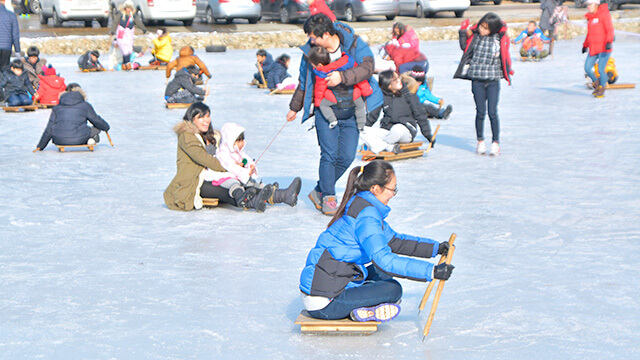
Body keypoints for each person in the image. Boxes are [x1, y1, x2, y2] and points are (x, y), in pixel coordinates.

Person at [299, 160, 454, 321]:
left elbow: (395, 241)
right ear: (375, 189)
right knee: (393, 290)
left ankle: (362, 307)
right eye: (392, 189)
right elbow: (385, 261)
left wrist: (435, 248)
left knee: (381, 273)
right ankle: (365, 310)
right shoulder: (367, 216)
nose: (393, 194)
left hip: (328, 286)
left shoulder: (362, 205)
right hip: (326, 304)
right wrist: (431, 271)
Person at [286, 13, 383, 216]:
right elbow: (304, 81)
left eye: (313, 37)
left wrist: (343, 77)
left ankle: (320, 190)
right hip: (325, 110)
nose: (310, 41)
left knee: (347, 156)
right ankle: (328, 195)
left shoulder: (353, 43)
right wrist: (294, 107)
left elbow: (368, 67)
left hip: (351, 110)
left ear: (327, 34)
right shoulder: (311, 52)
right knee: (329, 155)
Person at [164, 102, 276, 211]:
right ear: (192, 119)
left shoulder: (213, 136)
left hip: (218, 175)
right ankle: (252, 202)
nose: (206, 120)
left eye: (208, 116)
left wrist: (242, 165)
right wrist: (231, 167)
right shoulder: (187, 136)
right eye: (201, 117)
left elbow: (227, 154)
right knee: (230, 190)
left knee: (245, 183)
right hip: (196, 180)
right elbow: (204, 159)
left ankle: (277, 195)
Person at [207, 122, 302, 212]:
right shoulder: (223, 153)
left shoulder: (238, 152)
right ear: (230, 141)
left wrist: (250, 167)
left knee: (253, 183)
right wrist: (244, 172)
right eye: (238, 141)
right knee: (233, 183)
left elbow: (246, 159)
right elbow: (230, 166)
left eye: (242, 140)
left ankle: (282, 195)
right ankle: (240, 195)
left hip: (239, 175)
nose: (241, 144)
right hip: (223, 178)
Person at [454, 13, 513, 156]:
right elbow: (464, 47)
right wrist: (463, 31)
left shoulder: (499, 39)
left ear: (493, 29)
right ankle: (480, 141)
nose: (482, 29)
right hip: (477, 80)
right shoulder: (475, 37)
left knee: (492, 112)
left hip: (493, 80)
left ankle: (495, 142)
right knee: (480, 112)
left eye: (486, 28)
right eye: (481, 26)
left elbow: (505, 54)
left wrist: (508, 68)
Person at [361, 70, 434, 154]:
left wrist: (428, 135)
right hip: (388, 131)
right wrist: (364, 130)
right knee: (361, 129)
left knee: (397, 129)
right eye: (394, 79)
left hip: (406, 131)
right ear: (387, 85)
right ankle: (388, 147)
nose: (399, 80)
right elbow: (372, 116)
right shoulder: (382, 97)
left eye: (398, 77)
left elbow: (420, 115)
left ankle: (378, 146)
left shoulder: (409, 95)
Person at [308, 45, 372, 130]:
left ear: (319, 65)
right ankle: (361, 125)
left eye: (312, 64)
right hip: (353, 94)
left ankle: (332, 120)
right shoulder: (347, 62)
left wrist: (317, 103)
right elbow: (360, 79)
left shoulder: (322, 72)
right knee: (360, 106)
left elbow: (320, 90)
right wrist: (367, 90)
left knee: (323, 105)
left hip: (334, 98)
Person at [34, 83, 110, 151]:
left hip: (59, 139)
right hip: (79, 138)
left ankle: (89, 138)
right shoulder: (85, 106)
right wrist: (106, 127)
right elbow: (96, 120)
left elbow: (49, 128)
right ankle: (92, 139)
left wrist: (41, 146)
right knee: (97, 128)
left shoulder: (57, 107)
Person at [583, 0, 614, 98]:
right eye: (587, 5)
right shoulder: (590, 18)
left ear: (596, 5)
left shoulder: (604, 14)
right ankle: (596, 84)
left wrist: (609, 41)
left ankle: (602, 88)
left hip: (604, 47)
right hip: (594, 47)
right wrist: (585, 45)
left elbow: (609, 29)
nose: (588, 7)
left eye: (590, 4)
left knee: (601, 69)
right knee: (587, 68)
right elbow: (590, 34)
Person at [109, 0, 147, 71]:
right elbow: (115, 22)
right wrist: (112, 31)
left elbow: (138, 22)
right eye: (127, 8)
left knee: (129, 49)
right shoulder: (120, 14)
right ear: (125, 8)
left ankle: (127, 63)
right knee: (124, 48)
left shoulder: (133, 15)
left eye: (130, 8)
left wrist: (143, 29)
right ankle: (126, 64)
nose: (128, 10)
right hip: (121, 32)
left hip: (130, 32)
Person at [0, 0, 21, 72]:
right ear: (4, 1)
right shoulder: (11, 15)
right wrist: (17, 51)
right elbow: (15, 35)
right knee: (5, 70)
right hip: (6, 47)